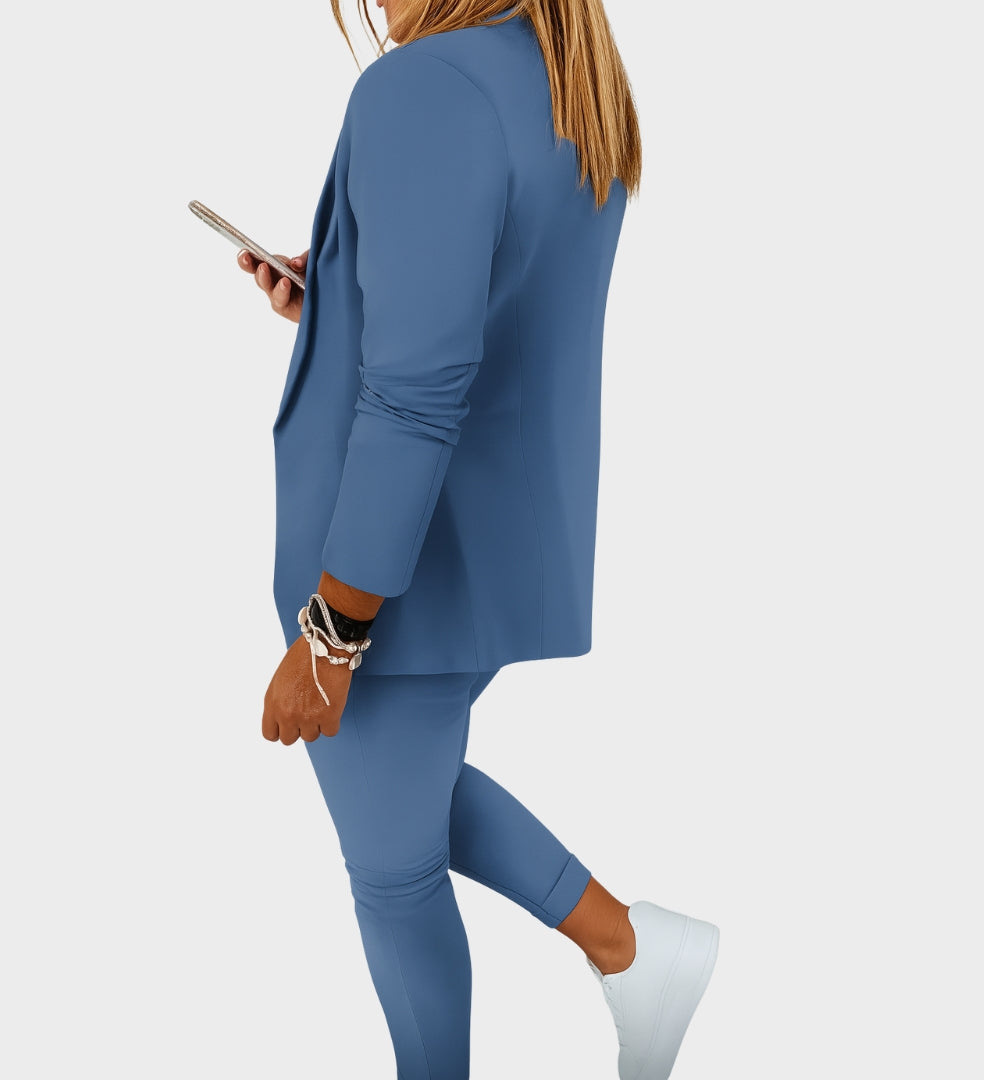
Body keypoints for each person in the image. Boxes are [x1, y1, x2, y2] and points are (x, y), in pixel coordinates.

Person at [238, 3, 718, 1077]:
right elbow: (494, 295)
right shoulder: (565, 78)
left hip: (397, 561)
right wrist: (342, 299)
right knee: (406, 799)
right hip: (486, 538)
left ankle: (629, 952)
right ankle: (631, 948)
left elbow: (417, 393)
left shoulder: (424, 87)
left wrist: (333, 629)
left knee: (393, 878)